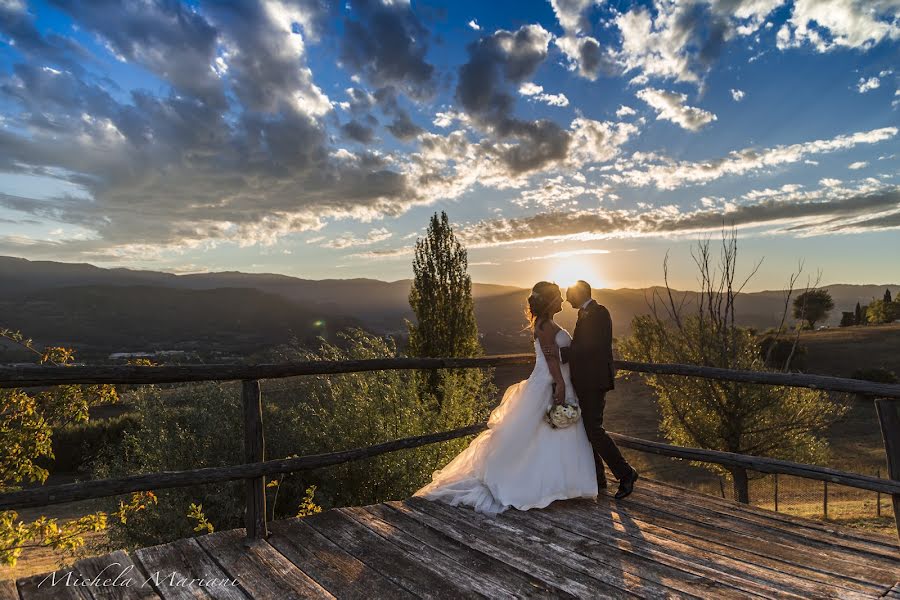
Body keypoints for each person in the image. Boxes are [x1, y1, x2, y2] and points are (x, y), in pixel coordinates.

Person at [414, 281, 598, 515]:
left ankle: (560, 485)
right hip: (549, 384)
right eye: (558, 297)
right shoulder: (545, 327)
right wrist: (560, 385)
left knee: (553, 435)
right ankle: (531, 484)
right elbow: (552, 360)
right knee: (540, 435)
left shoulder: (548, 325)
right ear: (551, 302)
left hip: (560, 383)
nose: (562, 300)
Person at [563, 280, 639, 499]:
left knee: (594, 429)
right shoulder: (586, 313)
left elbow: (594, 345)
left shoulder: (599, 313)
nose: (567, 298)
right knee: (589, 430)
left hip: (594, 381)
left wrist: (566, 353)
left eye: (569, 294)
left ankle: (626, 473)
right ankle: (599, 479)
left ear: (580, 294)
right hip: (586, 381)